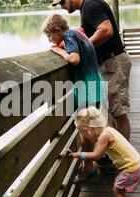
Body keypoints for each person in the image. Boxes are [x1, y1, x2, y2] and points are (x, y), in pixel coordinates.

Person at [52, 0, 132, 175]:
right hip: (107, 64)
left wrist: (84, 46)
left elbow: (106, 30)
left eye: (63, 2)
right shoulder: (86, 8)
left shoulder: (91, 5)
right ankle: (112, 154)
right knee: (111, 112)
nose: (63, 7)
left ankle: (122, 160)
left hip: (113, 62)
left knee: (118, 112)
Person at [41, 14, 107, 183]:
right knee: (94, 125)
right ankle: (103, 157)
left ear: (58, 30)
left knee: (86, 131)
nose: (50, 40)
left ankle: (88, 168)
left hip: (86, 90)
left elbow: (74, 59)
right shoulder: (78, 33)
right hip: (95, 86)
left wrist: (58, 50)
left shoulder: (69, 36)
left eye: (50, 36)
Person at [68, 106, 140, 197]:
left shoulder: (104, 136)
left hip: (133, 169)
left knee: (118, 190)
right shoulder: (108, 130)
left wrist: (78, 154)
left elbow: (96, 156)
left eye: (82, 134)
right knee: (118, 186)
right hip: (137, 165)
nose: (83, 137)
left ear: (88, 131)